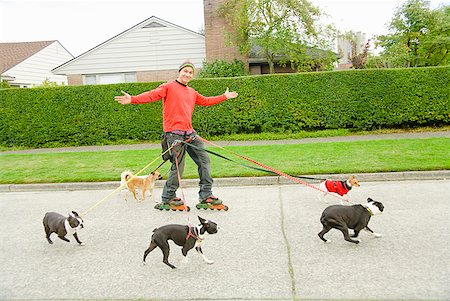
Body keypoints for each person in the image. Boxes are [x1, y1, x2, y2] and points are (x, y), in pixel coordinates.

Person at [115, 60, 238, 209]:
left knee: (204, 161)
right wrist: (133, 99)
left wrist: (224, 96)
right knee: (178, 167)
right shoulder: (168, 86)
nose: (187, 74)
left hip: (190, 134)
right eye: (185, 71)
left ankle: (206, 195)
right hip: (174, 135)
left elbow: (206, 101)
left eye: (190, 72)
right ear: (180, 72)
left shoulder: (192, 92)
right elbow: (152, 95)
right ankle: (168, 197)